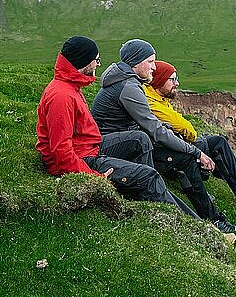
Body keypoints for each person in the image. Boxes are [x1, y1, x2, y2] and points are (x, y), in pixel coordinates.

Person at [91, 39, 236, 233]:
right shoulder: (128, 87)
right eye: (150, 61)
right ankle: (188, 214)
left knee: (183, 156)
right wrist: (196, 152)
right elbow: (154, 129)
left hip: (123, 142)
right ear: (136, 62)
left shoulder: (126, 81)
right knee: (185, 156)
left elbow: (148, 124)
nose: (154, 67)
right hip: (115, 147)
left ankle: (211, 218)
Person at [36, 35, 196, 214]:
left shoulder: (70, 87)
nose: (98, 64)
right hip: (82, 158)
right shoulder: (62, 96)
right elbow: (60, 150)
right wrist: (94, 177)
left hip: (89, 147)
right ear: (83, 61)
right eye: (96, 60)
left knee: (140, 139)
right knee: (149, 176)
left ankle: (144, 193)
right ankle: (186, 222)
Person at [144, 60, 236, 216]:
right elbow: (186, 128)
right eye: (172, 79)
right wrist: (190, 135)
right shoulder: (152, 102)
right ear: (159, 80)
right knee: (218, 144)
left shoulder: (159, 98)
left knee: (217, 143)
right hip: (168, 155)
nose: (177, 83)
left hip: (170, 148)